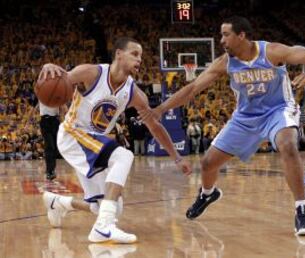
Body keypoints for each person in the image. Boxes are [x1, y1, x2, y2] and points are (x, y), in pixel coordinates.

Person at [140, 16, 305, 236]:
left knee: (287, 145)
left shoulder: (271, 52)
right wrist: (160, 109)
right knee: (208, 163)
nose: (221, 40)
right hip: (244, 117)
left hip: (278, 110)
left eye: (226, 35)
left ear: (242, 35)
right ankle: (207, 193)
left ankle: (302, 209)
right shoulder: (225, 63)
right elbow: (192, 89)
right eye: (221, 35)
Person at [40, 37, 192, 244]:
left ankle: (57, 203)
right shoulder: (92, 73)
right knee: (123, 156)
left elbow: (155, 126)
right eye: (135, 54)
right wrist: (49, 66)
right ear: (119, 54)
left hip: (92, 142)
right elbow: (59, 79)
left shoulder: (135, 94)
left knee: (108, 206)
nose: (139, 60)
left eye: (141, 56)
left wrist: (176, 157)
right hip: (73, 135)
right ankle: (103, 228)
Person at [26, 102, 62, 180]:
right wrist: (27, 123)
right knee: (50, 146)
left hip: (55, 121)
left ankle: (51, 169)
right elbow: (33, 109)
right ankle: (50, 171)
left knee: (55, 148)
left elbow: (63, 106)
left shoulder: (58, 91)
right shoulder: (40, 92)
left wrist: (65, 119)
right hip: (45, 121)